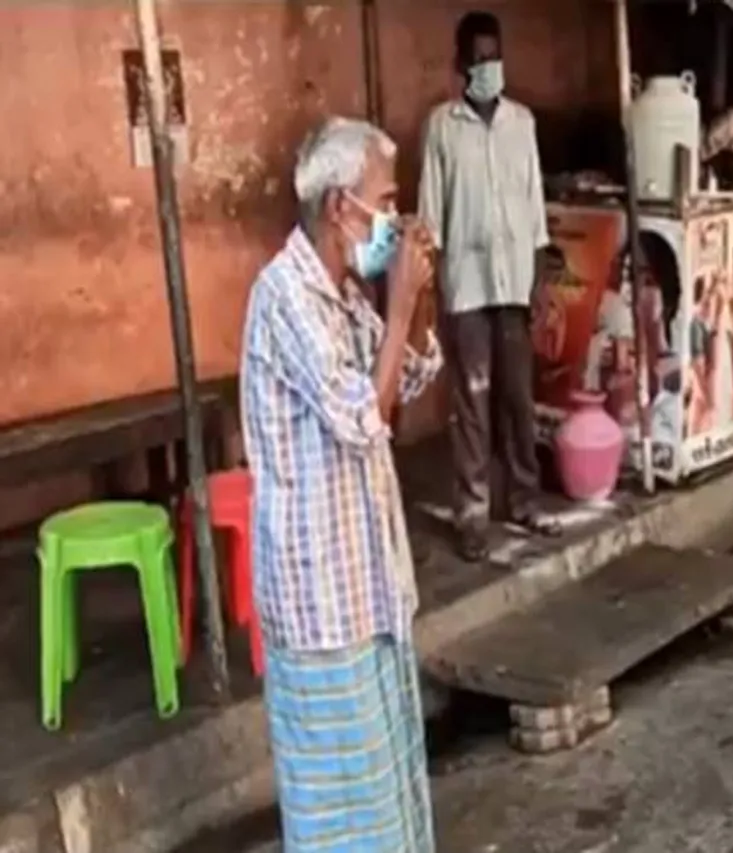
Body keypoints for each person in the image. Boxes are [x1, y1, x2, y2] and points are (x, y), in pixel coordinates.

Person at [240, 117, 442, 852]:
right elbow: (362, 417)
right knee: (340, 820)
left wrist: (412, 301)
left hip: (369, 588)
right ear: (338, 208)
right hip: (323, 604)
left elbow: (409, 376)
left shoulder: (343, 291)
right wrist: (396, 309)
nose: (393, 217)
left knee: (386, 801)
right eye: (384, 201)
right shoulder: (286, 297)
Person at [420, 10, 560, 562]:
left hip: (514, 282)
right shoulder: (441, 127)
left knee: (517, 398)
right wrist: (431, 293)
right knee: (472, 400)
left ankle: (523, 497)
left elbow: (534, 204)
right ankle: (473, 512)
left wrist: (541, 279)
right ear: (461, 65)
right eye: (479, 58)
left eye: (494, 56)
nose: (489, 67)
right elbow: (431, 215)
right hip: (466, 285)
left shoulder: (521, 123)